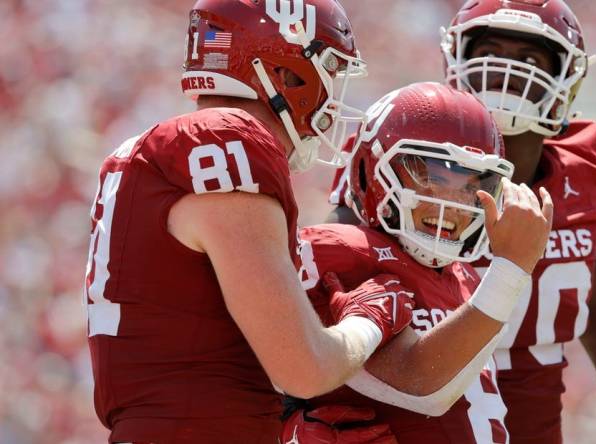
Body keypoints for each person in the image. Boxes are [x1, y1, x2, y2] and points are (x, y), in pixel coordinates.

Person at [328, 1, 596, 443]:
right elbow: (330, 301)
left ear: (565, 78)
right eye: (491, 51)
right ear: (458, 57)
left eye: (529, 59)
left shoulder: (585, 171)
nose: (506, 70)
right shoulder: (400, 153)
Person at [83, 1, 414, 442]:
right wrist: (370, 318)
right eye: (329, 70)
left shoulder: (144, 152)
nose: (334, 95)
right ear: (284, 73)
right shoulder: (228, 138)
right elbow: (304, 368)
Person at [280, 82, 554, 443]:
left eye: (470, 185)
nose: (452, 201)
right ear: (371, 167)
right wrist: (509, 270)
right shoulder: (338, 250)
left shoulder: (465, 277)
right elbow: (422, 386)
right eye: (431, 177)